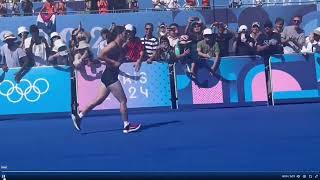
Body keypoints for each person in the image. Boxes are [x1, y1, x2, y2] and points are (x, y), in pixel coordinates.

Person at [71, 26, 141, 133]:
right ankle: (126, 126)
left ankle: (79, 116)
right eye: (124, 33)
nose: (126, 35)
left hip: (108, 75)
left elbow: (118, 57)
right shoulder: (113, 45)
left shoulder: (120, 46)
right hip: (110, 77)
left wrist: (122, 54)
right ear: (119, 34)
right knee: (123, 100)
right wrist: (114, 62)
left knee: (99, 100)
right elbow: (100, 55)